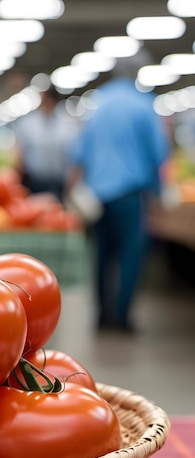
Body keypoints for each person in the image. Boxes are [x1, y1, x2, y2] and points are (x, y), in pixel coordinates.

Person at [68, 50, 170, 334]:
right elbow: (156, 153)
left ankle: (102, 315)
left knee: (102, 254)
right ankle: (122, 317)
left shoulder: (97, 103)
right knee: (130, 254)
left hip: (97, 196)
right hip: (129, 195)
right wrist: (158, 192)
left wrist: (74, 189)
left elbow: (80, 152)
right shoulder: (144, 105)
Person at [13, 84, 80, 200]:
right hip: (35, 182)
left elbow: (75, 156)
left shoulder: (69, 124)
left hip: (60, 183)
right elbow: (20, 154)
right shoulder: (28, 123)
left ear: (52, 100)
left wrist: (71, 185)